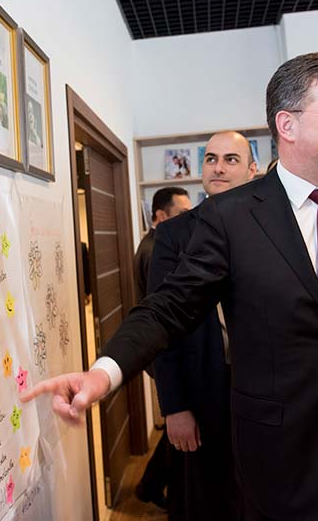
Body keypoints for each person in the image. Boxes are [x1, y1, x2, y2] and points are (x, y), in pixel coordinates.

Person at [22, 52, 318, 520]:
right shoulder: (230, 217)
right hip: (284, 465)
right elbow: (169, 308)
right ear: (287, 124)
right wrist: (103, 372)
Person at [152, 131, 256, 520]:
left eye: (231, 159)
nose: (218, 167)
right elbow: (162, 325)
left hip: (266, 390)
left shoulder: (274, 227)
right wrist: (175, 407)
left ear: (252, 170)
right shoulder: (174, 233)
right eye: (211, 159)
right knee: (209, 500)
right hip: (204, 390)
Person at [132, 187, 192, 509]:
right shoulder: (157, 250)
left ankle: (150, 484)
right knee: (179, 425)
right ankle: (152, 485)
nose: (189, 219)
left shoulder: (157, 243)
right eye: (182, 214)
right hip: (165, 352)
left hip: (162, 351)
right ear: (160, 216)